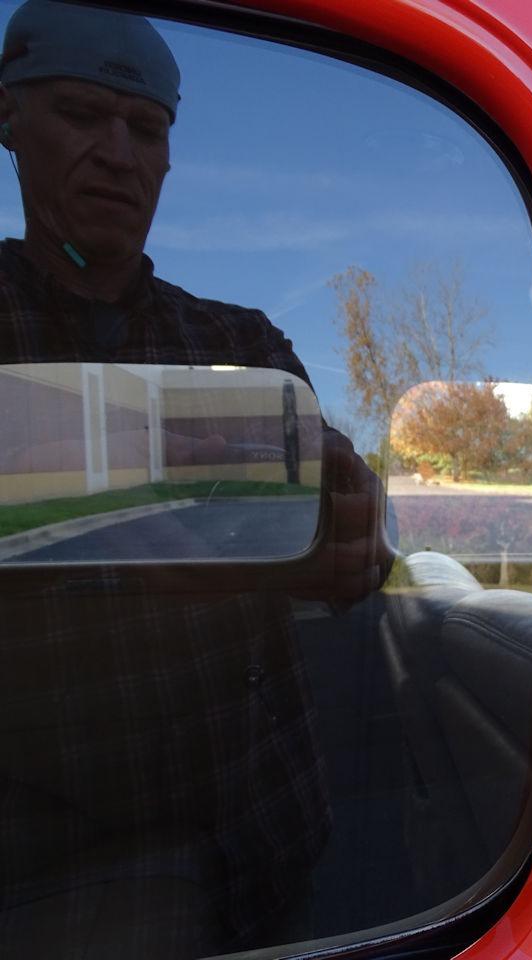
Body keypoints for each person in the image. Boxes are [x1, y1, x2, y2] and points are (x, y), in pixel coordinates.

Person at [0, 1, 387, 953]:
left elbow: (349, 534)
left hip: (264, 838)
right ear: (10, 122)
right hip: (43, 869)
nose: (119, 154)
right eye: (82, 117)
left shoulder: (241, 344)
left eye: (146, 128)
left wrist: (354, 537)